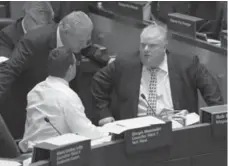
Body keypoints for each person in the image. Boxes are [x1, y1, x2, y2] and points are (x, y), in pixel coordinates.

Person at [91, 23, 224, 126]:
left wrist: (207, 123)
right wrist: (104, 114)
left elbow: (214, 96)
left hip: (175, 130)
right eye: (143, 45)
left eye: (152, 46)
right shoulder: (125, 63)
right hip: (136, 132)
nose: (146, 50)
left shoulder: (187, 64)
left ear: (164, 46)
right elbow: (98, 81)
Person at [0, 11, 94, 139]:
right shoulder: (34, 41)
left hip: (54, 109)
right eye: (81, 41)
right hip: (24, 107)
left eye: (87, 41)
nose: (84, 46)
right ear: (65, 31)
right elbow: (8, 70)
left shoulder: (75, 43)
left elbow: (78, 81)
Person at [19, 47, 106, 152]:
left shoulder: (35, 91)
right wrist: (105, 131)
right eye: (75, 64)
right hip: (54, 155)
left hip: (30, 151)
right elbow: (84, 131)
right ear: (70, 68)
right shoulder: (68, 96)